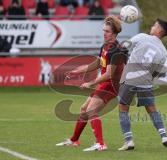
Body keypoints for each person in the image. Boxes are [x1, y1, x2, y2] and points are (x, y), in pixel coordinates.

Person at [56, 15, 127, 151]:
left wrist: (90, 83)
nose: (104, 33)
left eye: (107, 31)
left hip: (111, 85)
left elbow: (109, 74)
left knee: (91, 110)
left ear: (114, 33)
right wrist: (77, 71)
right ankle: (74, 140)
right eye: (103, 30)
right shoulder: (105, 46)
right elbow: (98, 63)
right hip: (105, 84)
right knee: (84, 110)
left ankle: (100, 144)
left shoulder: (115, 50)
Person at [118, 18, 167, 151]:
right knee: (152, 109)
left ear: (159, 30)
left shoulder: (142, 37)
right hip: (146, 81)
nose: (152, 26)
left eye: (155, 25)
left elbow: (122, 47)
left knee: (123, 107)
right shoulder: (163, 51)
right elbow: (156, 72)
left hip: (130, 77)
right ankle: (164, 136)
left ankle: (129, 141)